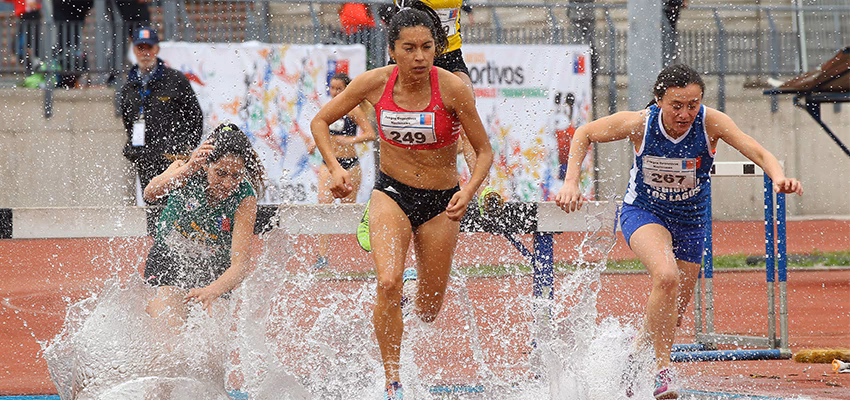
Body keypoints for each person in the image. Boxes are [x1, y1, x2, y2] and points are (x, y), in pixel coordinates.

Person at [554, 64, 803, 399]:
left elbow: (755, 149)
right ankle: (662, 372)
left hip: (690, 222)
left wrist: (777, 175)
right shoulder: (640, 123)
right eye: (676, 105)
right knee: (666, 277)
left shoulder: (711, 123)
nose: (685, 114)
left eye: (693, 104)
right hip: (644, 212)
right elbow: (584, 133)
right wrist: (571, 183)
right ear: (659, 101)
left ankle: (634, 354)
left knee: (672, 315)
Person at [310, 3, 493, 398]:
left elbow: (485, 151)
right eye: (409, 48)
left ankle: (402, 303)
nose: (420, 57)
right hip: (391, 193)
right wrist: (335, 168)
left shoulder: (453, 88)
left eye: (427, 47)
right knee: (388, 282)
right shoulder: (374, 83)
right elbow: (320, 122)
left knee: (428, 309)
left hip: (442, 203)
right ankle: (393, 382)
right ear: (392, 50)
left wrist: (470, 189)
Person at [357, 0, 496, 253]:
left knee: (467, 116)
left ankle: (484, 191)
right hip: (411, 53)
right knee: (395, 122)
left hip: (448, 55)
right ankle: (380, 193)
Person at [143, 123, 265, 329]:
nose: (227, 183)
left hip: (213, 271)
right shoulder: (184, 169)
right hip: (170, 260)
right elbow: (150, 193)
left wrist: (213, 290)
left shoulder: (245, 198)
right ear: (207, 164)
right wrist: (188, 168)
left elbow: (240, 265)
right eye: (221, 173)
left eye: (236, 175)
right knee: (169, 340)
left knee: (212, 351)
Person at [121, 26, 203, 206]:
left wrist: (185, 147)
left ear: (157, 49)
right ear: (134, 50)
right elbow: (128, 121)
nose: (145, 53)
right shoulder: (129, 85)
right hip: (145, 159)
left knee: (177, 206)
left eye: (149, 47)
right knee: (151, 205)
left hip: (173, 159)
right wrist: (137, 150)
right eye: (140, 48)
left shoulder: (175, 79)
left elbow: (195, 116)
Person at [312, 72, 376, 269]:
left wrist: (351, 140)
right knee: (324, 207)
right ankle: (322, 255)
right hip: (330, 165)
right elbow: (319, 128)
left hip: (351, 165)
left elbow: (370, 134)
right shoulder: (327, 109)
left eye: (339, 88)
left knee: (350, 213)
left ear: (347, 89)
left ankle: (357, 256)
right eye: (332, 88)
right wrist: (313, 144)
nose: (335, 92)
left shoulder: (353, 110)